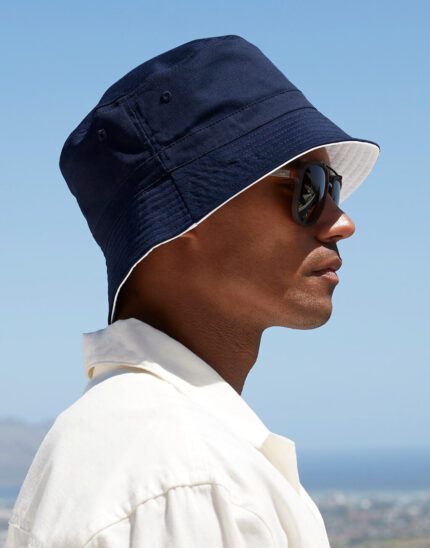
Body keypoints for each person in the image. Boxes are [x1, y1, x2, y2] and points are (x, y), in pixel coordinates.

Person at [6, 34, 380, 547]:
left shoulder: (146, 445)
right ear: (183, 218)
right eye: (308, 187)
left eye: (331, 187)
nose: (342, 222)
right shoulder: (185, 481)